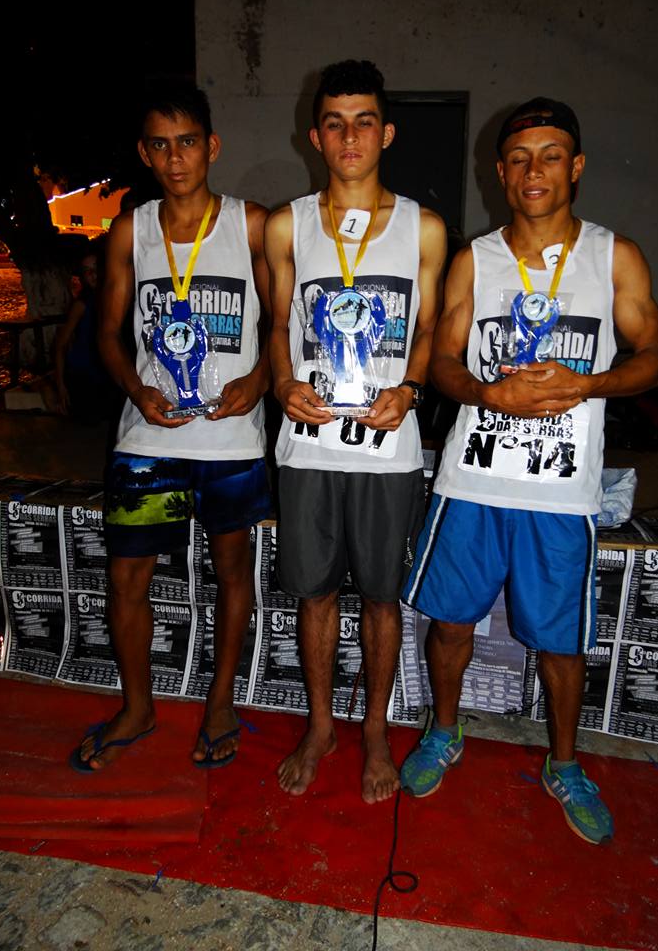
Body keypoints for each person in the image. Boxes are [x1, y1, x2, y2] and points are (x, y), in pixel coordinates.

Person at [401, 98, 658, 842]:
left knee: (561, 642)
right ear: (500, 171)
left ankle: (565, 764)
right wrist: (489, 392)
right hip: (472, 483)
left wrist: (589, 383)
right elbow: (441, 362)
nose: (534, 170)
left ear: (575, 166)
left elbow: (657, 358)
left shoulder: (614, 256)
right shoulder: (476, 259)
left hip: (561, 492)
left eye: (551, 156)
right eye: (519, 157)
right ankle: (444, 730)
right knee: (450, 623)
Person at [71, 81, 272, 771]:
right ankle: (138, 707)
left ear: (211, 146)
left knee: (233, 573)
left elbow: (285, 323)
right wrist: (137, 389)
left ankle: (219, 703)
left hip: (232, 441)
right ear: (144, 153)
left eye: (187, 142)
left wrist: (259, 380)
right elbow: (107, 334)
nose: (175, 157)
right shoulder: (131, 231)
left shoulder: (251, 225)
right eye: (160, 145)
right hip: (147, 440)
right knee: (127, 579)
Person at [266, 60, 446, 804]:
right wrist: (282, 383)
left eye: (363, 121)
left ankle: (373, 729)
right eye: (335, 123)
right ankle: (319, 727)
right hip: (307, 446)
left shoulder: (423, 228)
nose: (349, 137)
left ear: (386, 132)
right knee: (313, 595)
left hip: (387, 448)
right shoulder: (288, 224)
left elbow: (428, 329)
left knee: (380, 597)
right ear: (315, 136)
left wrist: (410, 388)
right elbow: (277, 322)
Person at [53, 241, 119, 421]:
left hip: (110, 376)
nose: (93, 274)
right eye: (86, 271)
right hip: (85, 378)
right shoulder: (82, 304)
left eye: (96, 268)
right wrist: (60, 386)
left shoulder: (117, 299)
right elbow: (60, 345)